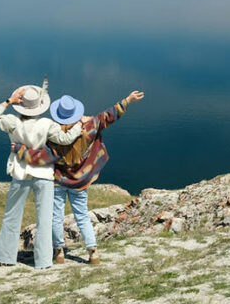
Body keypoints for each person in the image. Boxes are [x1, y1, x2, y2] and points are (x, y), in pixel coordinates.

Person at [10, 90, 144, 265]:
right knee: (82, 216)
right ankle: (93, 252)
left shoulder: (52, 134)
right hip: (80, 181)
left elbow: (39, 154)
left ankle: (58, 252)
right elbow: (109, 116)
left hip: (58, 181)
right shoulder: (90, 126)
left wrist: (19, 149)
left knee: (56, 217)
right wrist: (128, 100)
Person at [0, 77, 82, 269]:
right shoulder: (47, 124)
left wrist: (8, 101)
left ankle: (4, 258)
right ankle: (44, 262)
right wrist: (79, 126)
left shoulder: (12, 122)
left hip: (20, 174)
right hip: (44, 175)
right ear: (40, 106)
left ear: (21, 106)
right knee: (44, 219)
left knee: (12, 215)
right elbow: (65, 139)